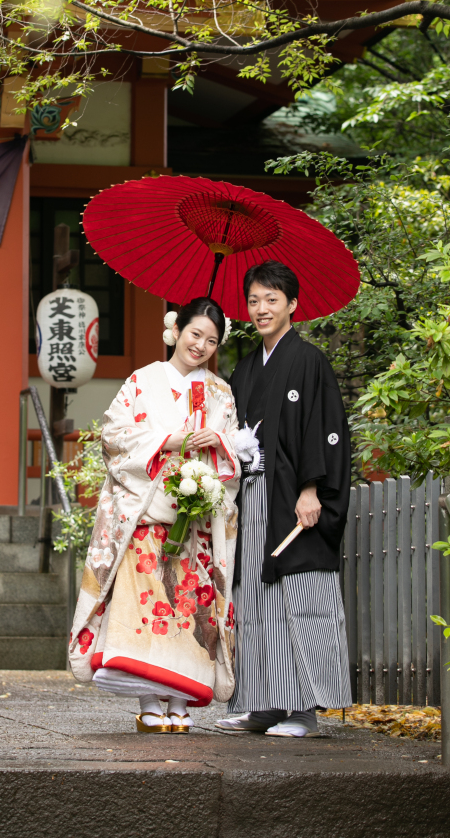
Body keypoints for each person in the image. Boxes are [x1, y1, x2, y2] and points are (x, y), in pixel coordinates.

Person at [69, 297, 242, 733]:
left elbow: (236, 453)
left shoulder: (221, 393)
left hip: (196, 522)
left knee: (188, 613)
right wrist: (168, 440)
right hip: (146, 515)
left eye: (211, 341)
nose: (200, 346)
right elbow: (113, 435)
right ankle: (148, 699)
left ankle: (180, 700)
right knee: (146, 611)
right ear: (176, 329)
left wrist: (218, 444)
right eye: (195, 334)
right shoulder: (142, 380)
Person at [216, 260, 352, 738]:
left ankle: (304, 711)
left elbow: (325, 428)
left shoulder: (309, 360)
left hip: (293, 501)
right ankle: (265, 704)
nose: (261, 309)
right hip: (252, 498)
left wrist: (312, 489)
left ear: (292, 304)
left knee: (300, 597)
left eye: (271, 299)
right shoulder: (245, 368)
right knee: (254, 600)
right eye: (253, 300)